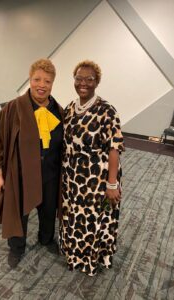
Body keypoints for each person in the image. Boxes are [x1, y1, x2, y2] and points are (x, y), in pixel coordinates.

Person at [0, 58, 63, 268]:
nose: (41, 85)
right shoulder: (13, 108)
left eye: (47, 81)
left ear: (52, 84)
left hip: (50, 173)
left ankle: (46, 239)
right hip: (21, 175)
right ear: (30, 80)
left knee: (48, 210)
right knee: (19, 214)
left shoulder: (58, 110)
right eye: (37, 79)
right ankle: (17, 248)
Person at [59, 60, 124, 276]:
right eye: (78, 78)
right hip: (72, 177)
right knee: (75, 217)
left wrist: (112, 183)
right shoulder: (69, 108)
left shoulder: (107, 110)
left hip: (97, 179)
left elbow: (115, 148)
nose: (83, 83)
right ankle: (75, 255)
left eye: (89, 79)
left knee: (95, 219)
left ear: (97, 82)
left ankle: (92, 259)